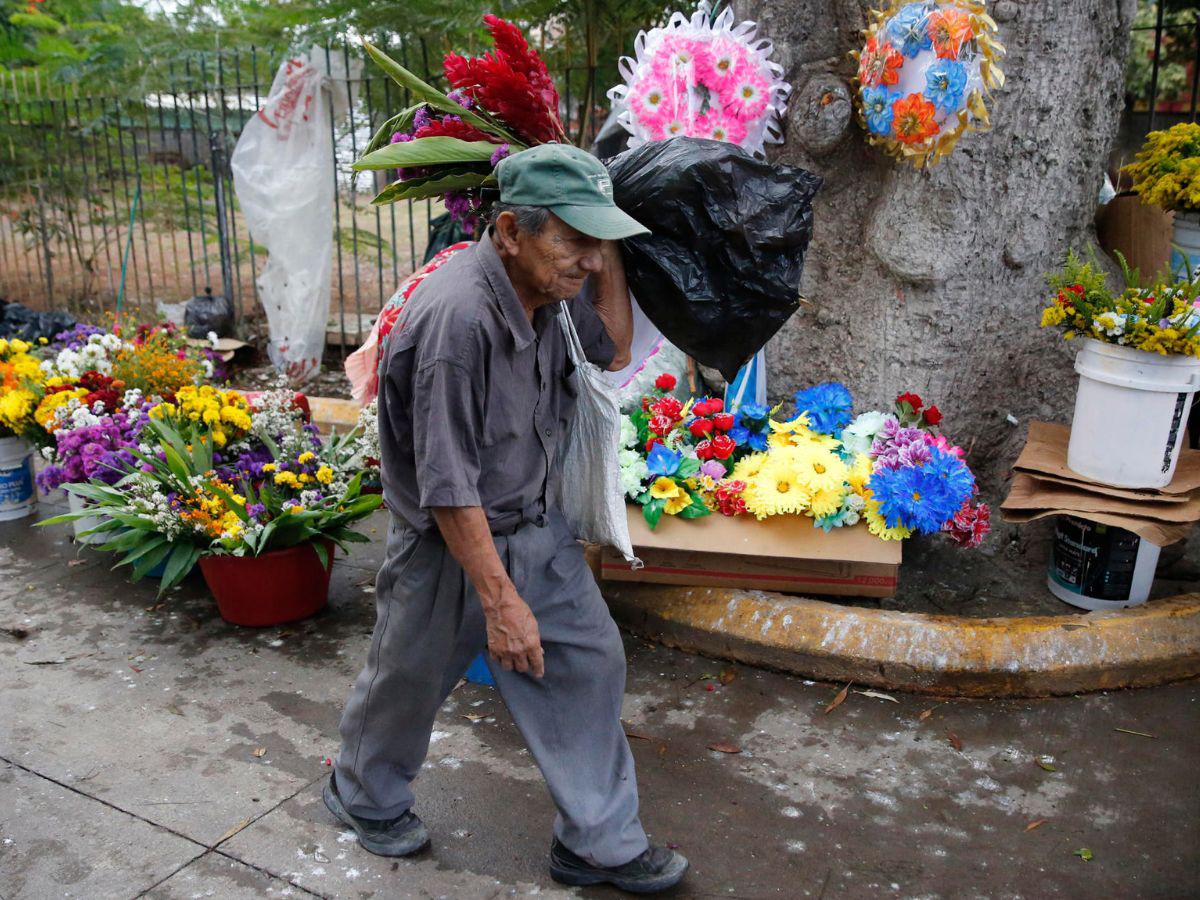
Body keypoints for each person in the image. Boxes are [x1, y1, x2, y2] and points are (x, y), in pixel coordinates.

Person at [325, 143, 689, 894]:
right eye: (571, 238)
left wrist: (601, 248)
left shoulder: (553, 292)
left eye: (597, 242)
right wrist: (499, 601)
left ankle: (599, 842)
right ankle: (362, 792)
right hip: (450, 545)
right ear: (511, 232)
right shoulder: (458, 325)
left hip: (536, 526)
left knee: (589, 663)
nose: (586, 261)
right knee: (409, 680)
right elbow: (447, 484)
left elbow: (614, 350)